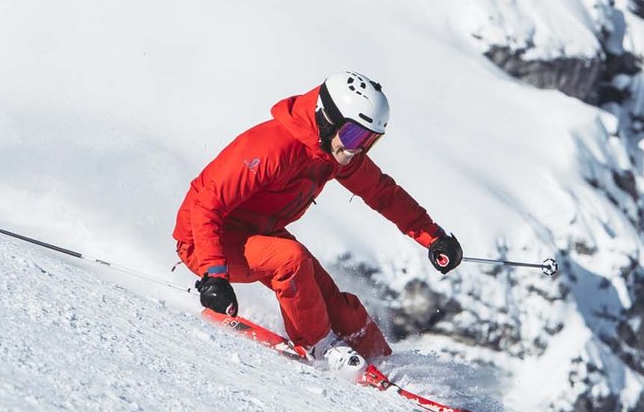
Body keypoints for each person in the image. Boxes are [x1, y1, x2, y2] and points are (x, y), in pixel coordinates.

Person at [173, 71, 462, 366]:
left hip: (258, 232)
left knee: (331, 301)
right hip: (205, 241)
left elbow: (383, 193)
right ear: (326, 118)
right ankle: (320, 347)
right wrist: (215, 276)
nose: (357, 148)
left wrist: (433, 236)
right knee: (291, 260)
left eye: (369, 140)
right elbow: (208, 205)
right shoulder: (273, 147)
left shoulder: (335, 153)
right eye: (354, 135)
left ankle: (382, 362)